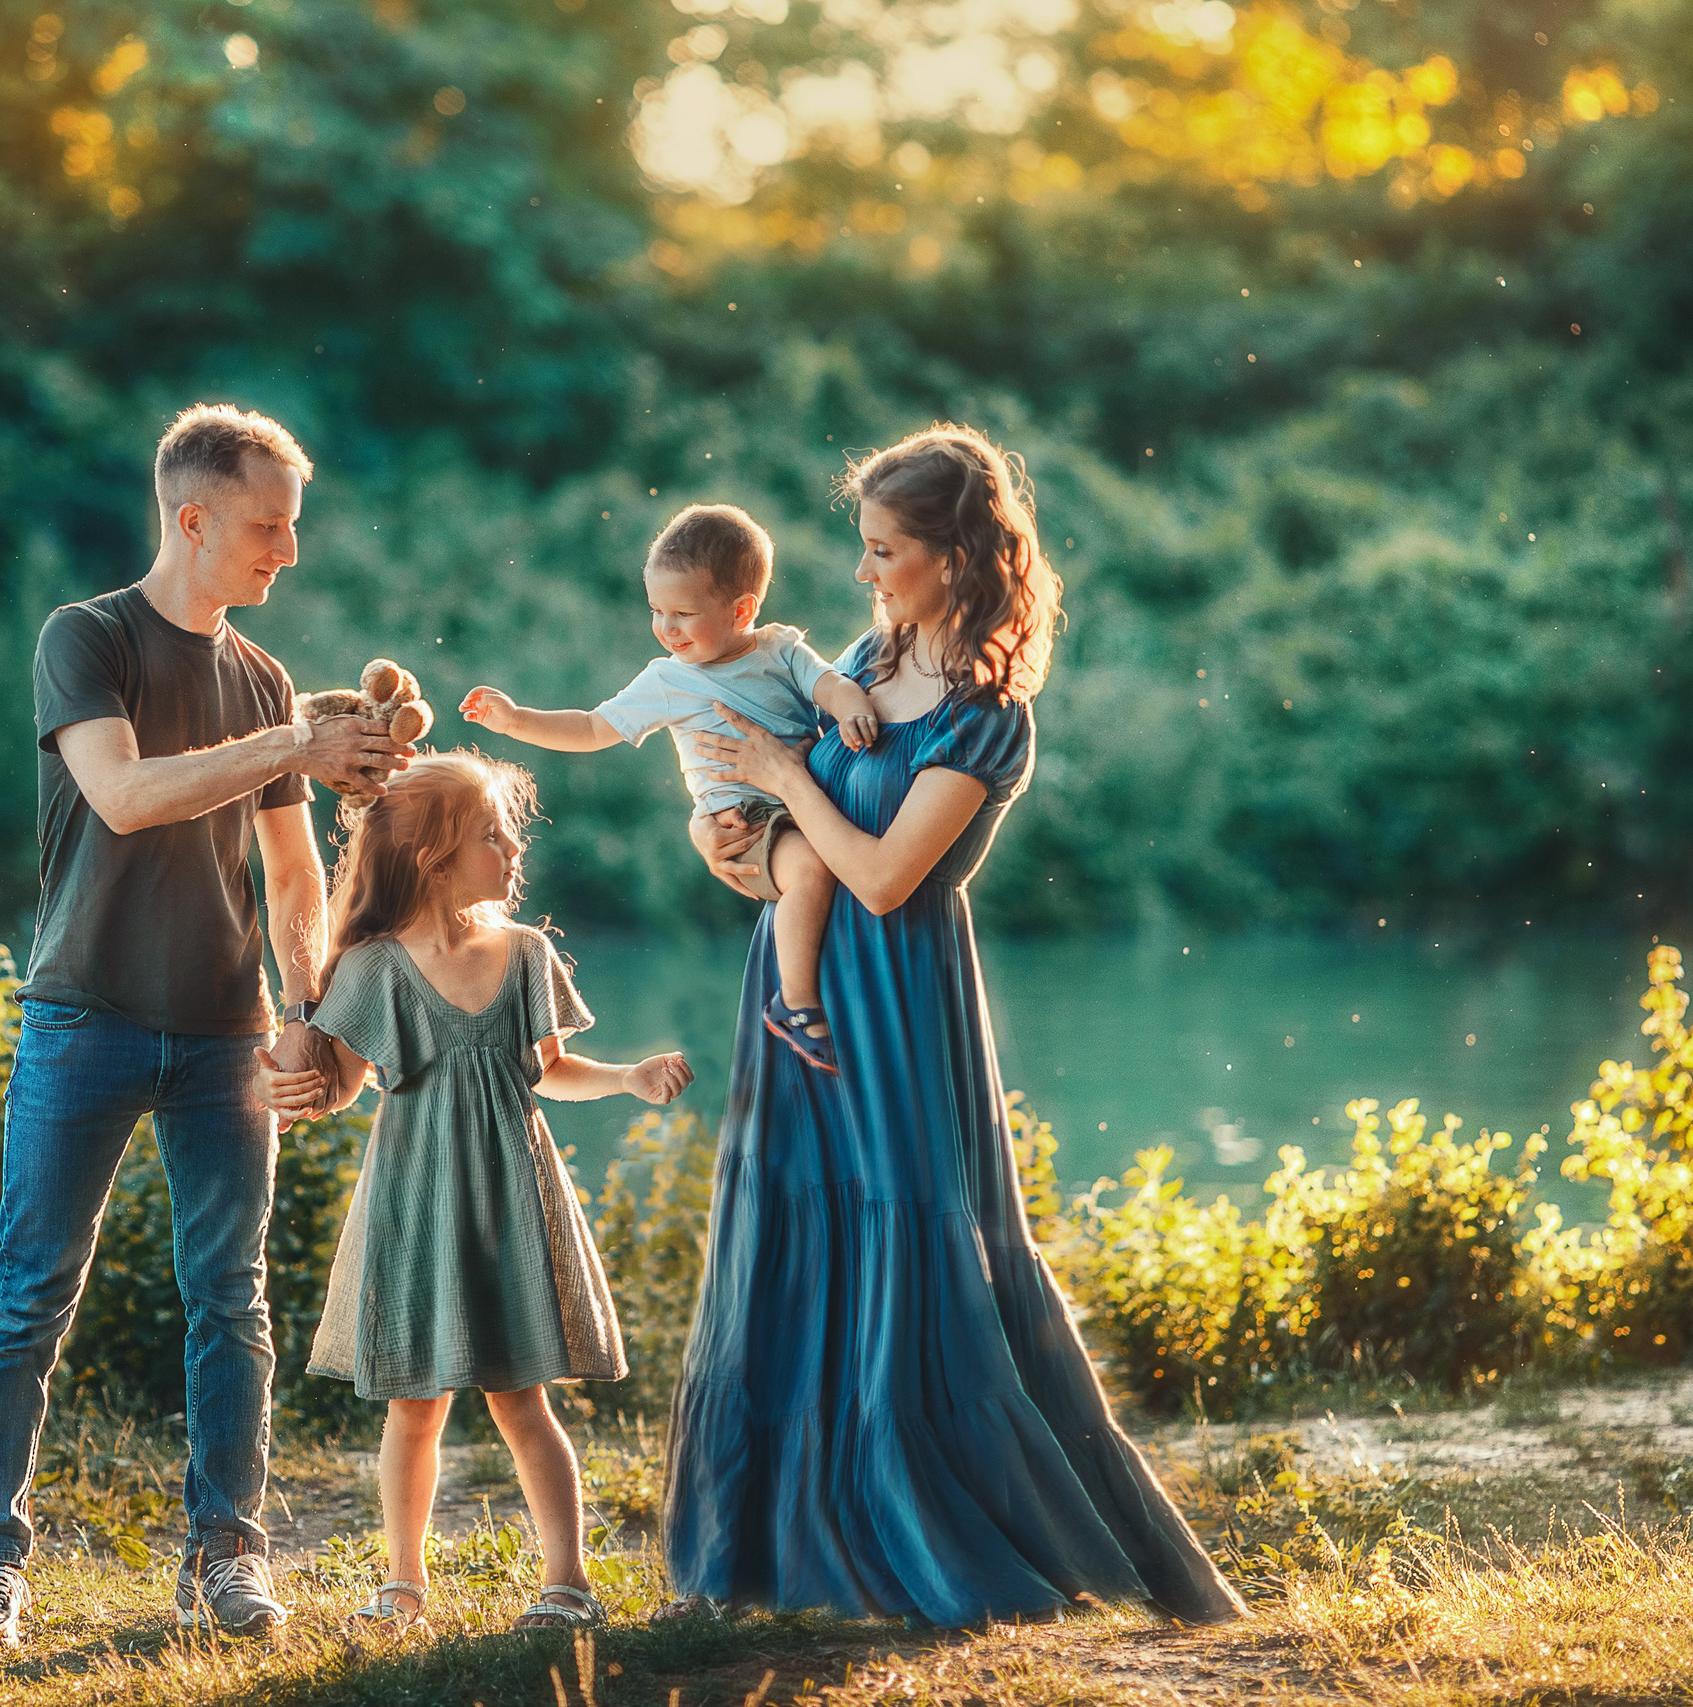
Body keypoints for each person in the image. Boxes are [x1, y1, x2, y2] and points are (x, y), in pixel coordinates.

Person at [660, 426, 1246, 1628]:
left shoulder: (984, 718)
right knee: (788, 1236)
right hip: (792, 988)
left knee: (913, 1244)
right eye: (864, 547)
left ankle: (934, 1526)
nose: (866, 573)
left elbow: (880, 878)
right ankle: (771, 1547)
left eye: (887, 551)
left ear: (956, 557)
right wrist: (728, 838)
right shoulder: (861, 669)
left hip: (898, 1003)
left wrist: (785, 783)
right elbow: (776, 839)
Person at [0, 404, 414, 1655]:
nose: (287, 555)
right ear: (192, 519)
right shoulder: (85, 638)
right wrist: (290, 742)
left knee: (230, 1300)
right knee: (28, 1298)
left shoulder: (261, 676)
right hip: (81, 1017)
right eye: (268, 528)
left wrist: (308, 1017)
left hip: (225, 1035)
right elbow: (126, 793)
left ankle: (229, 1556)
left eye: (293, 529)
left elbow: (294, 876)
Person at [260, 752, 693, 1632]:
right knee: (414, 1406)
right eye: (491, 836)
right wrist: (283, 1075)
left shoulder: (526, 953)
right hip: (416, 1207)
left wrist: (626, 1078)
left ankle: (567, 1582)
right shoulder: (374, 968)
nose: (511, 850)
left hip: (509, 1199)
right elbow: (338, 1084)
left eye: (509, 832)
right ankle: (403, 1583)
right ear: (434, 859)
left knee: (521, 1396)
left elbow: (551, 1070)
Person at [459, 504, 878, 1074]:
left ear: (742, 610)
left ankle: (818, 992)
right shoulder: (666, 679)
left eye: (683, 613)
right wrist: (516, 721)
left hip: (809, 799)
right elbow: (591, 727)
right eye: (657, 611)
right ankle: (796, 1003)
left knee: (831, 869)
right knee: (811, 869)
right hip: (747, 818)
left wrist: (851, 703)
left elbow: (827, 682)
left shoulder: (780, 649)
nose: (666, 629)